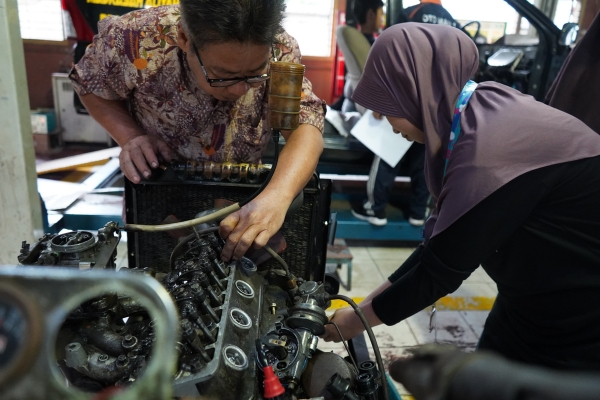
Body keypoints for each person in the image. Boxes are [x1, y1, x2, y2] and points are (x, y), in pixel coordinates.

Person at [322, 23, 600, 372]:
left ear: (417, 89)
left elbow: (439, 272)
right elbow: (436, 248)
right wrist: (360, 310)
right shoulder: (476, 109)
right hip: (530, 295)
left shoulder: (491, 149)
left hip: (579, 315)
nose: (380, 117)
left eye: (387, 103)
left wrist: (353, 323)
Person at [69, 0, 325, 262]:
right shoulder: (136, 38)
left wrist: (277, 198)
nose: (240, 89)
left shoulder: (279, 49)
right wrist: (130, 137)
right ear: (184, 38)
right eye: (223, 75)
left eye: (254, 74)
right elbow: (89, 84)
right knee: (159, 268)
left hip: (246, 199)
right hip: (161, 194)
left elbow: (307, 125)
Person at [353, 1, 460, 227]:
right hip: (437, 103)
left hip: (405, 97)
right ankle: (419, 212)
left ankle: (376, 209)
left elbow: (393, 55)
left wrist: (380, 99)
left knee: (387, 155)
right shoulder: (452, 21)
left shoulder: (411, 14)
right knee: (426, 160)